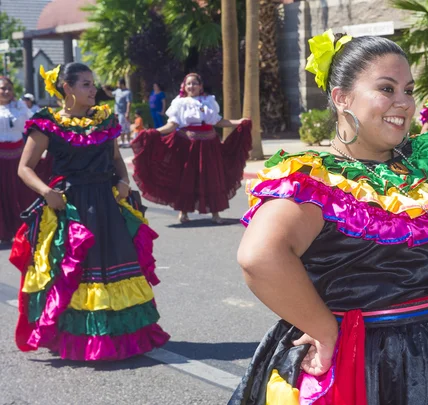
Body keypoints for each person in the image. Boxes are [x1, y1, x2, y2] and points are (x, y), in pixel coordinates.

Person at [229, 30, 428, 404]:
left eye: (409, 90)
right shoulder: (317, 179)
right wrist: (323, 329)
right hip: (367, 367)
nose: (404, 103)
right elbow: (259, 257)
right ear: (341, 98)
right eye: (386, 89)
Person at [10, 62, 169, 361]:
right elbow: (24, 168)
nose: (93, 89)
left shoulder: (104, 120)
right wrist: (46, 192)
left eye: (93, 83)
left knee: (118, 266)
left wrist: (123, 181)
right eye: (85, 84)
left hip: (107, 202)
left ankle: (125, 337)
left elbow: (116, 159)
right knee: (76, 272)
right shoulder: (47, 123)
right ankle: (84, 342)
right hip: (71, 206)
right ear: (66, 88)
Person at [131, 73, 252, 224]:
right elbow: (172, 125)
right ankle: (183, 212)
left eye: (195, 83)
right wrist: (155, 132)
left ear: (200, 86)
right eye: (188, 84)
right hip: (187, 145)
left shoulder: (209, 101)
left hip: (209, 145)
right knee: (186, 178)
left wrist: (238, 122)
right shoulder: (180, 103)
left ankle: (215, 214)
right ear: (184, 86)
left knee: (211, 177)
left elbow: (218, 121)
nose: (191, 86)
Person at [0, 76, 35, 243]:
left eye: (8, 88)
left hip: (18, 156)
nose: (6, 91)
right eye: (2, 88)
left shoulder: (19, 106)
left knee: (20, 193)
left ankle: (23, 230)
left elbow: (32, 122)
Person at [103, 78, 132, 147]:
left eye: (118, 83)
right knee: (119, 127)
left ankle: (128, 141)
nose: (117, 84)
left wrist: (127, 112)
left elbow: (129, 103)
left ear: (122, 84)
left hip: (123, 113)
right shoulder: (117, 91)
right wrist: (105, 90)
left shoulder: (127, 92)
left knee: (126, 127)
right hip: (117, 113)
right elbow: (111, 95)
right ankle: (122, 141)